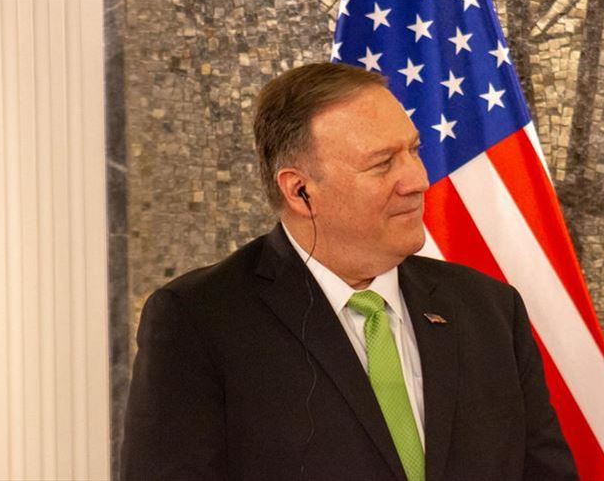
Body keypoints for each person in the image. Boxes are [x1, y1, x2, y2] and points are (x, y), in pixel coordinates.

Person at [121, 62, 577, 481]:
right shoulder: (199, 320)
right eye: (382, 164)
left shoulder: (489, 309)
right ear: (300, 191)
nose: (418, 180)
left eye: (414, 151)